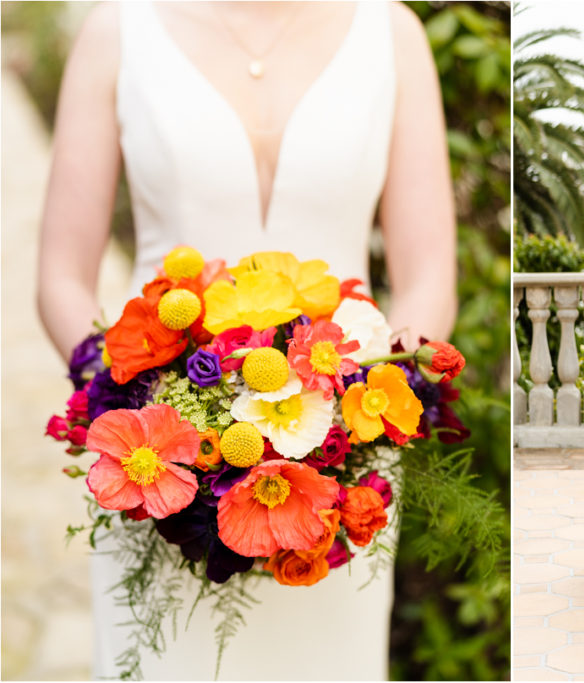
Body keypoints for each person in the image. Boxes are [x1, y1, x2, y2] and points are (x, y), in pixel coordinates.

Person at [36, 2, 456, 679]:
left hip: (344, 447)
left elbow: (430, 272)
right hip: (156, 453)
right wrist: (128, 402)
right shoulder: (118, 29)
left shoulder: (392, 34)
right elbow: (60, 274)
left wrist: (364, 408)